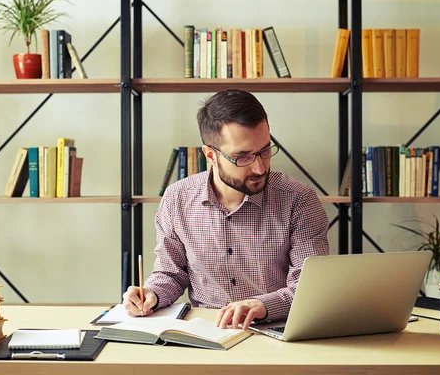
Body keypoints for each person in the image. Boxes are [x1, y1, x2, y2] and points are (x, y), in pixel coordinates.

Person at [122, 89, 329, 330]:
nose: (260, 168)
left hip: (277, 331)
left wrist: (262, 306)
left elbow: (310, 288)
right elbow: (171, 272)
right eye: (242, 157)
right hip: (206, 332)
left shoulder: (299, 200)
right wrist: (151, 295)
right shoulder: (177, 198)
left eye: (264, 151)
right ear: (210, 155)